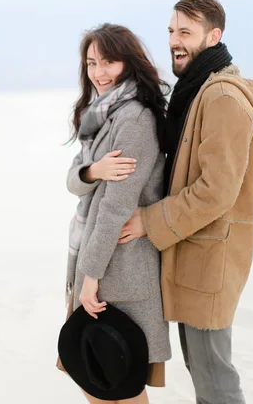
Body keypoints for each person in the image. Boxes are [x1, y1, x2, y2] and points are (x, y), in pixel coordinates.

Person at [118, 0, 253, 404]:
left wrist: (149, 221)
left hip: (209, 261)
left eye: (186, 32)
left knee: (213, 378)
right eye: (171, 30)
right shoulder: (195, 91)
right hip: (194, 253)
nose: (174, 40)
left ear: (213, 36)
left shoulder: (222, 97)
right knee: (205, 371)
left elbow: (216, 190)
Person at [60, 23, 171, 404]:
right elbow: (73, 181)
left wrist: (90, 276)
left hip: (119, 270)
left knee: (116, 383)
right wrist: (93, 171)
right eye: (92, 63)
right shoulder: (97, 116)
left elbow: (116, 207)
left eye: (109, 62)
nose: (99, 72)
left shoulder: (135, 119)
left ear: (129, 62)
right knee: (94, 377)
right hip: (97, 261)